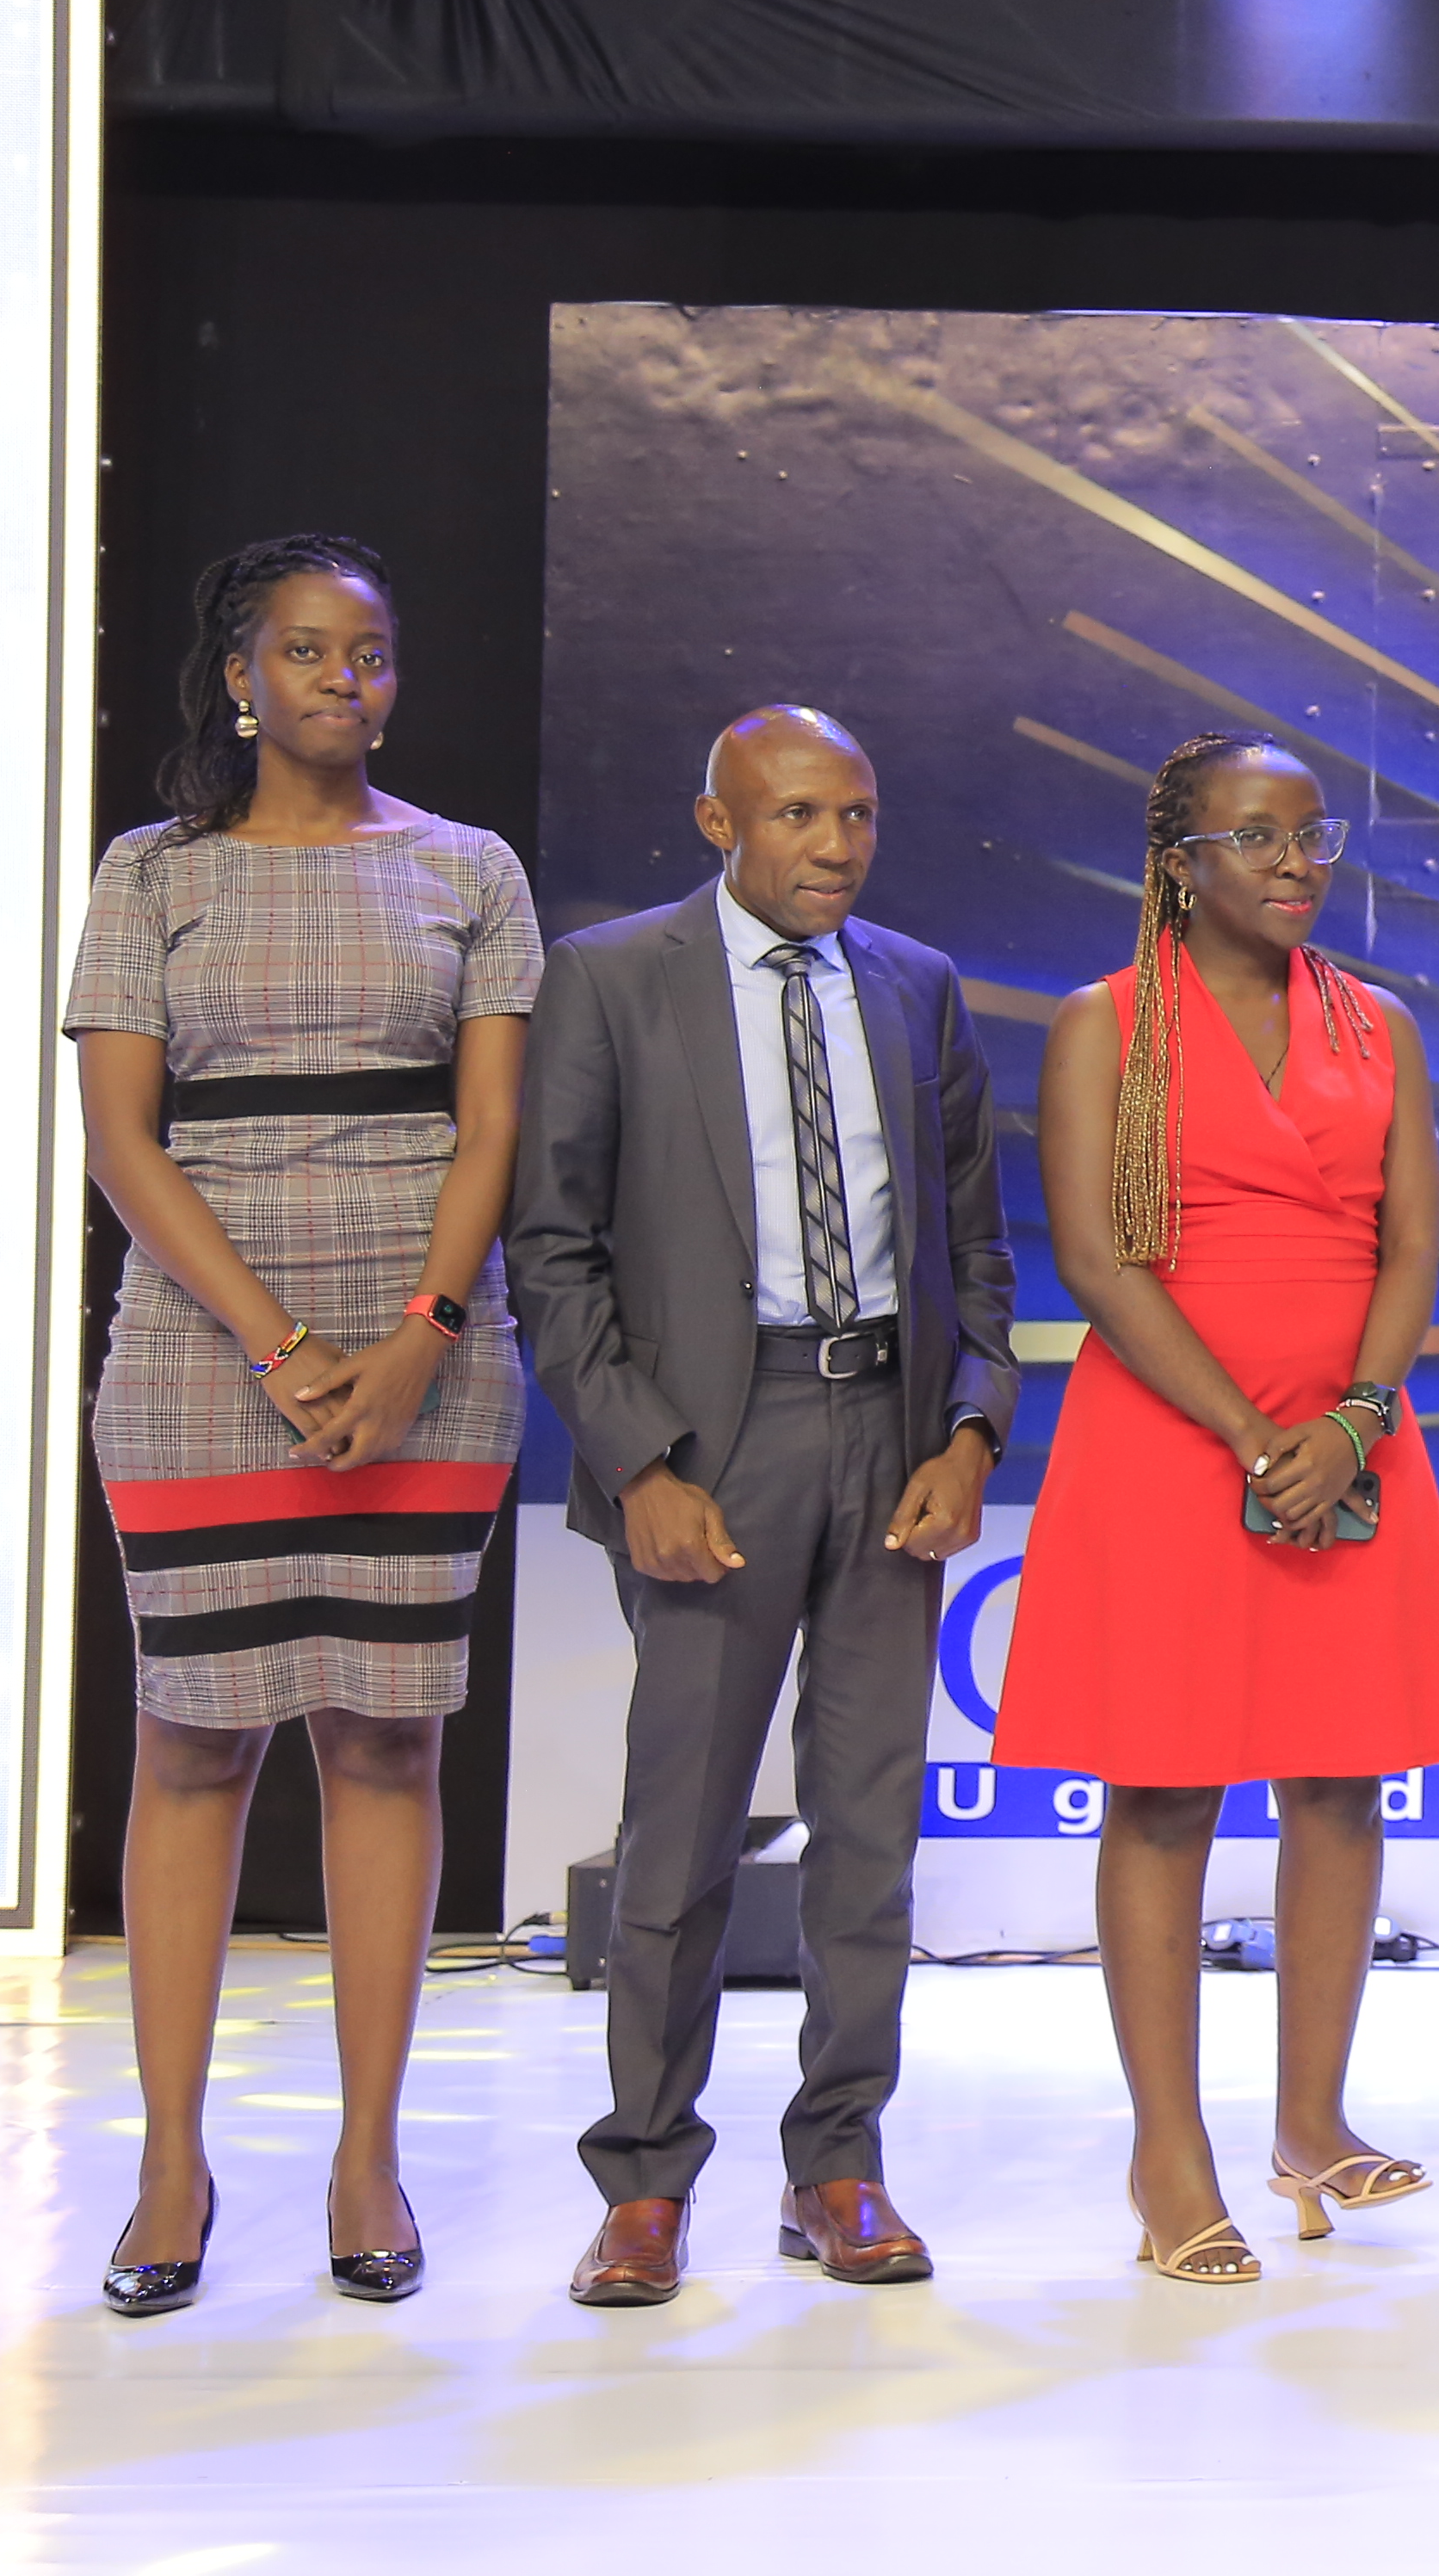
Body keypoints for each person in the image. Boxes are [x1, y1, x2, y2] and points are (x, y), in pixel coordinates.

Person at [71, 534, 539, 2315]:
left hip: (429, 1355)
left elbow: (488, 1132)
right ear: (239, 677)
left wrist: (418, 1332)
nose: (350, 680)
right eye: (312, 652)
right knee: (193, 1743)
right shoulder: (153, 873)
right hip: (203, 1362)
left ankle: (368, 2157)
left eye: (375, 654)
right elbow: (127, 1143)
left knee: (388, 1743)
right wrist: (279, 1344)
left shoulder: (468, 869)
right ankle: (170, 2162)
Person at [507, 706, 1020, 2308]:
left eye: (857, 814)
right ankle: (647, 2181)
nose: (836, 845)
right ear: (719, 820)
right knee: (681, 1841)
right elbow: (555, 1250)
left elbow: (975, 1245)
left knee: (868, 1835)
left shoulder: (916, 984)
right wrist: (641, 1462)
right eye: (799, 814)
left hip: (890, 1433)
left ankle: (839, 2169)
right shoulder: (609, 977)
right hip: (712, 1451)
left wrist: (973, 1430)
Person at [993, 732, 1439, 2285]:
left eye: (1310, 833)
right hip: (1173, 1440)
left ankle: (1311, 2121)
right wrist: (1254, 1436)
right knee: (1166, 1788)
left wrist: (1348, 1422)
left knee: (1341, 1780)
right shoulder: (1103, 1026)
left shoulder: (1376, 1024)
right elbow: (1098, 1261)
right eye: (1252, 836)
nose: (1291, 861)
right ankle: (1167, 2158)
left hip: (1347, 1439)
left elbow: (1411, 1251)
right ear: (1177, 864)